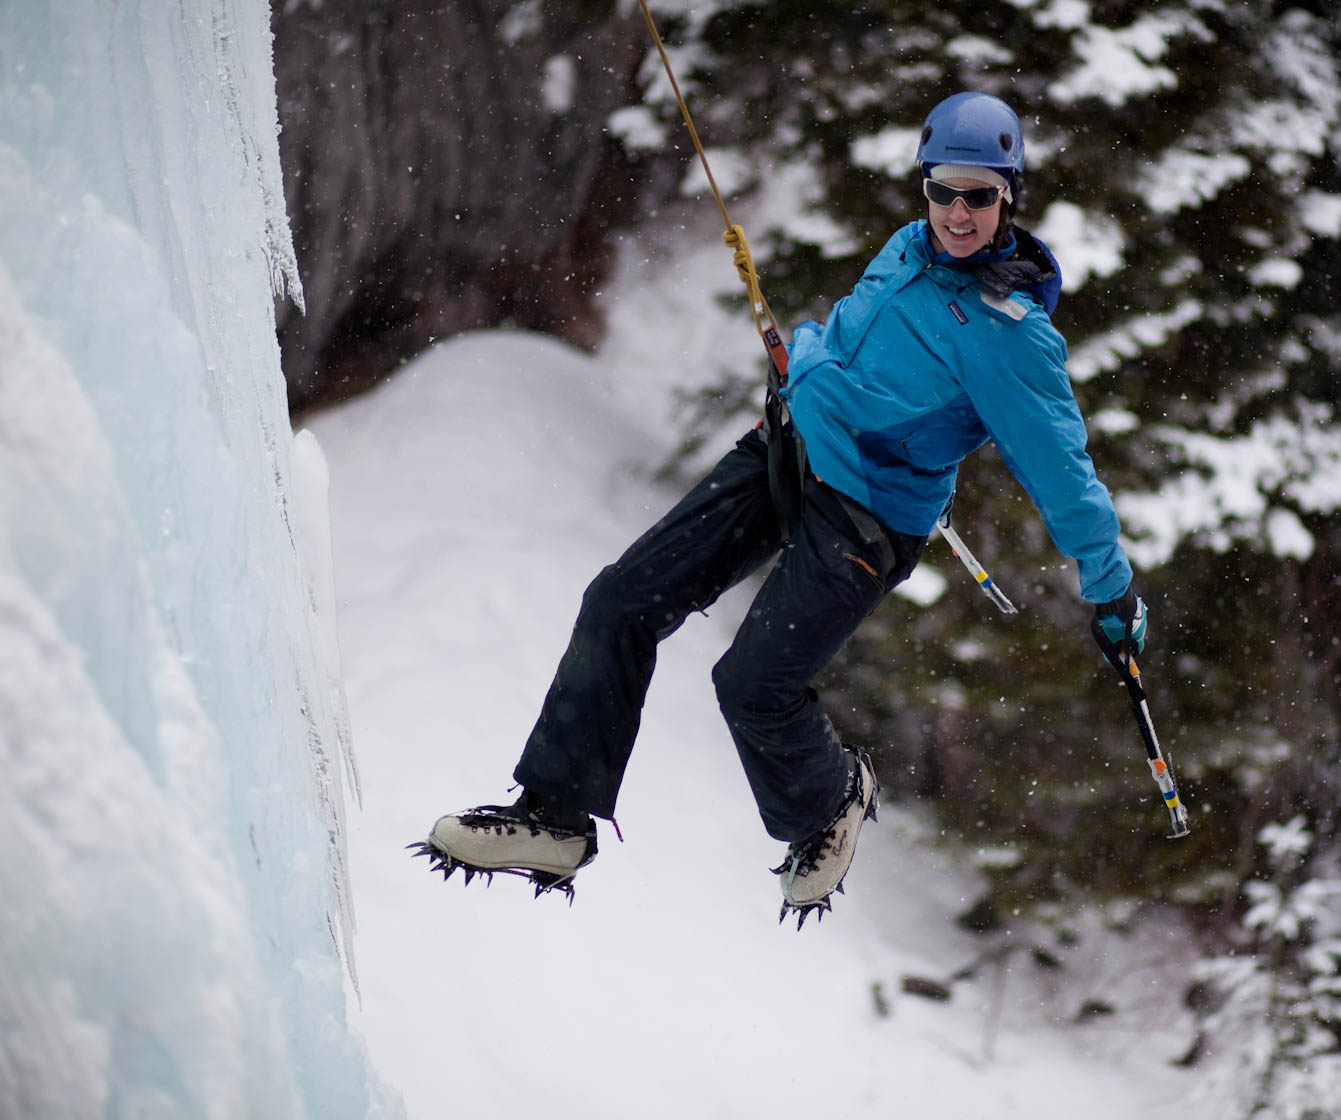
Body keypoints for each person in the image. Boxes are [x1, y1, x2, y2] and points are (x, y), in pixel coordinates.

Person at [415, 91, 1149, 926]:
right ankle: (554, 815)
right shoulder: (908, 249)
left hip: (867, 517)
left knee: (753, 685)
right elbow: (854, 342)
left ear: (1008, 196)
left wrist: (1111, 587)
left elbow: (1064, 473)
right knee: (618, 603)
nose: (956, 212)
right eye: (943, 189)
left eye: (978, 195)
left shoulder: (1011, 335)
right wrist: (804, 361)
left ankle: (832, 800)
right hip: (788, 450)